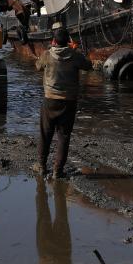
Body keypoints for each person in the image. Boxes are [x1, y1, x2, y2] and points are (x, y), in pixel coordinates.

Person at [34, 26, 92, 178]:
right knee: (64, 136)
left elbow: (38, 66)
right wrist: (77, 51)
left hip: (50, 100)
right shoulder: (75, 55)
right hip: (69, 101)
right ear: (68, 42)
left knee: (45, 134)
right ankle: (57, 171)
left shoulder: (47, 54)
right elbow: (88, 66)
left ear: (54, 41)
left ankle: (41, 166)